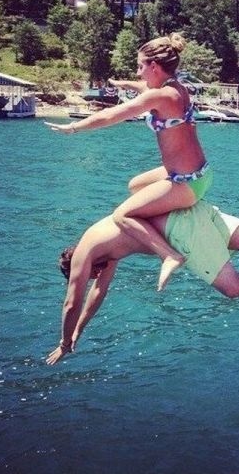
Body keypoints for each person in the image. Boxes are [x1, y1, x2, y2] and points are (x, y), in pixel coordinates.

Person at [46, 171, 239, 365]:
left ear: (77, 266)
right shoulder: (102, 246)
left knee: (232, 287)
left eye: (87, 275)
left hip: (182, 229)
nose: (94, 277)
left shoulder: (85, 253)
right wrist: (77, 332)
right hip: (192, 211)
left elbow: (73, 302)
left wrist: (63, 342)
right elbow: (98, 293)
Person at [45, 33, 211, 292]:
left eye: (140, 66)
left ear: (153, 66)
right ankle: (163, 214)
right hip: (197, 173)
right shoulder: (176, 88)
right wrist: (121, 83)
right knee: (135, 185)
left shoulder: (158, 97)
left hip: (188, 183)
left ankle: (169, 255)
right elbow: (143, 87)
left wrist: (74, 128)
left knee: (122, 215)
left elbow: (111, 115)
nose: (138, 72)